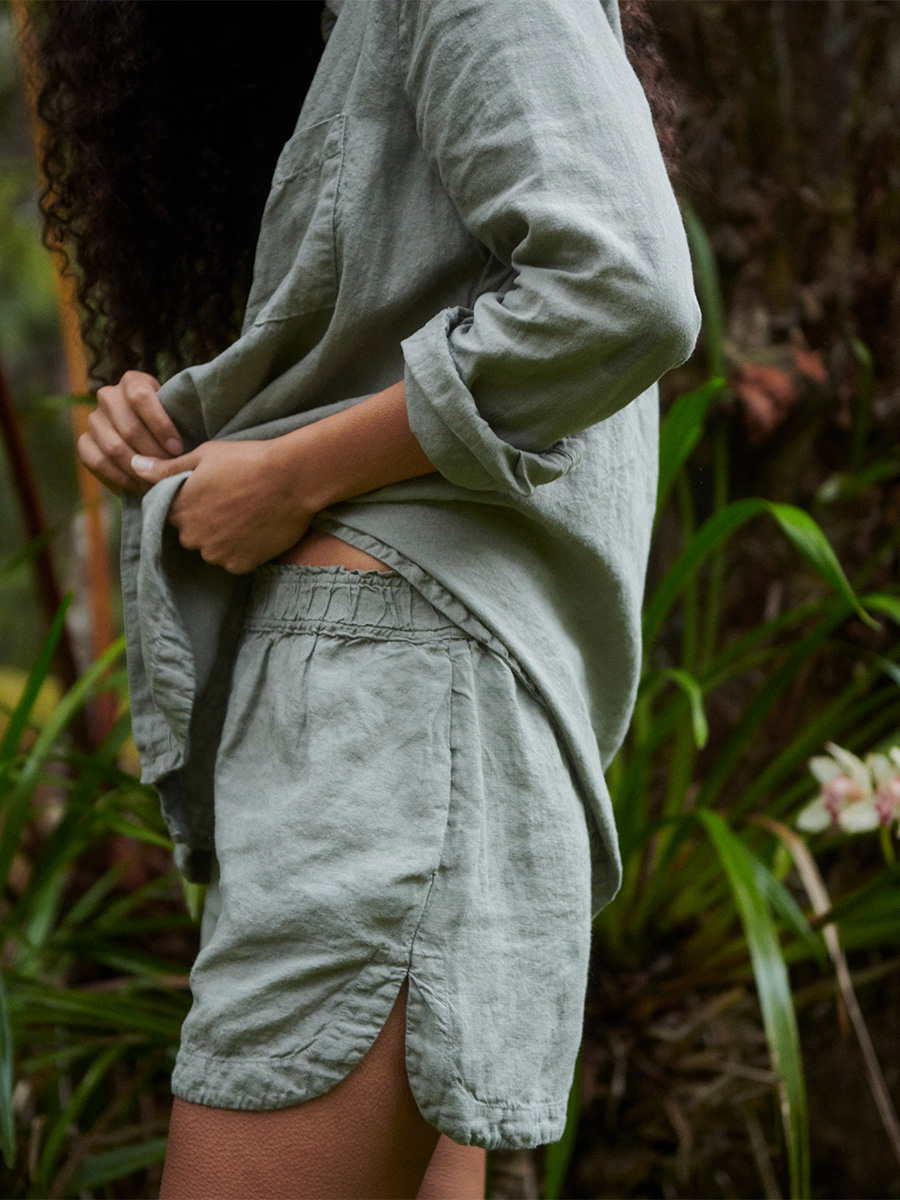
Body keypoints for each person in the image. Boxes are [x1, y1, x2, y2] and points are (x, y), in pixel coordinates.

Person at [30, 0, 701, 1196]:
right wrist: (193, 425)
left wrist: (288, 475)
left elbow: (626, 290)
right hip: (410, 707)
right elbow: (404, 323)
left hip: (392, 705)